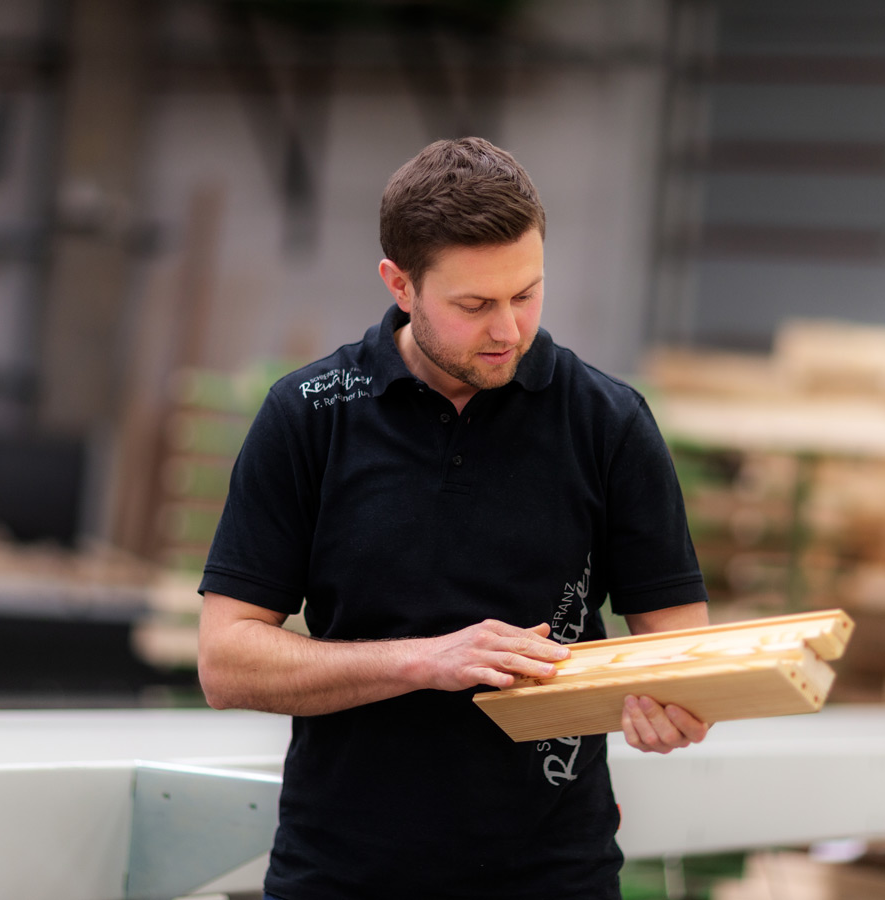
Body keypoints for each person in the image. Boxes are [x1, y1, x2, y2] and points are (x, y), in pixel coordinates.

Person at [197, 136, 710, 900]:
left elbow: (682, 650)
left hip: (553, 878)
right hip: (340, 876)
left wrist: (677, 709)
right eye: (475, 305)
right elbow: (226, 660)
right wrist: (425, 662)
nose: (509, 329)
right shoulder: (307, 416)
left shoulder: (609, 422)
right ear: (400, 284)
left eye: (527, 293)